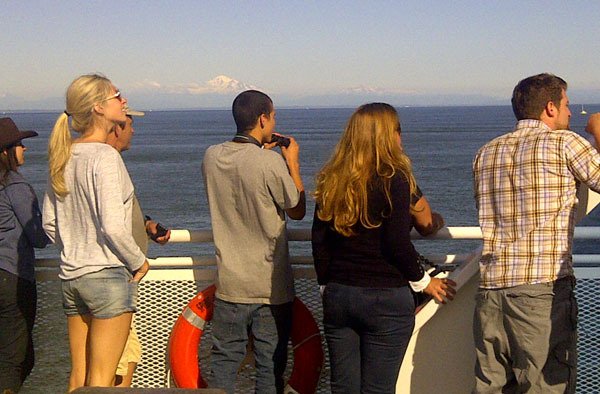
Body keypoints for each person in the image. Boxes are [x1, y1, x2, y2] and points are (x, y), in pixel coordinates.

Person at [312, 102, 456, 394]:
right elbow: (396, 244)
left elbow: (319, 240)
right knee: (378, 389)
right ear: (388, 136)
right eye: (398, 130)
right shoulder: (395, 178)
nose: (402, 138)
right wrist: (424, 282)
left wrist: (326, 287)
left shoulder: (333, 178)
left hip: (339, 294)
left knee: (343, 387)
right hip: (385, 297)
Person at [472, 73, 600, 393]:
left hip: (491, 290)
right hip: (540, 290)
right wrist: (598, 133)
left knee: (492, 385)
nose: (571, 113)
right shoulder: (564, 143)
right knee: (543, 384)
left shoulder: (486, 153)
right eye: (567, 105)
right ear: (550, 108)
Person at [42, 74, 150, 392]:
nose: (124, 101)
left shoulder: (63, 155)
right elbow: (114, 226)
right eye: (118, 96)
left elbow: (50, 224)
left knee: (79, 377)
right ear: (100, 107)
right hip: (106, 279)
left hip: (72, 276)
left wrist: (77, 244)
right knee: (103, 381)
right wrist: (138, 262)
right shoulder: (105, 156)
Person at [202, 90, 305, 394]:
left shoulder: (211, 156)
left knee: (223, 364)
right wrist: (291, 163)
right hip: (268, 287)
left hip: (230, 284)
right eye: (273, 117)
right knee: (269, 367)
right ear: (263, 119)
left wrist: (261, 149)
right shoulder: (269, 163)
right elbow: (296, 209)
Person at [106, 108, 171, 387]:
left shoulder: (93, 161)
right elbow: (110, 223)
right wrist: (139, 262)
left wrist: (145, 224)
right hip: (117, 276)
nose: (133, 131)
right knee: (121, 361)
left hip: (100, 275)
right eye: (129, 124)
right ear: (116, 127)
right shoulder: (108, 164)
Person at [0, 118, 49, 393]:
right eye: (19, 144)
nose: (25, 149)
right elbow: (39, 237)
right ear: (7, 151)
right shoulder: (15, 185)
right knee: (16, 359)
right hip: (12, 278)